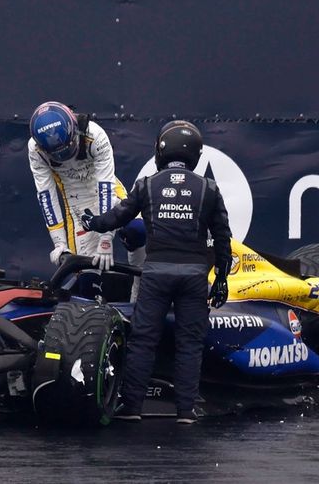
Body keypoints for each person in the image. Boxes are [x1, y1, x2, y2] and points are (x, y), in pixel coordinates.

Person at [81, 120, 231, 424]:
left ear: (162, 150)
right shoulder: (209, 189)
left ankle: (133, 408)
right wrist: (222, 279)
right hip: (194, 277)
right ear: (195, 153)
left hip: (156, 274)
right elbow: (223, 239)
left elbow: (117, 217)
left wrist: (92, 223)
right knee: (189, 344)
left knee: (143, 341)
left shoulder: (147, 184)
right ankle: (186, 411)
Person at [28, 101, 127, 276]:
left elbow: (106, 185)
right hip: (77, 202)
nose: (63, 157)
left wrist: (105, 236)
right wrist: (59, 242)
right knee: (85, 273)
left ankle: (138, 291)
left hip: (107, 191)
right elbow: (46, 196)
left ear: (75, 128)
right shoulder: (35, 149)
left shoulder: (95, 134)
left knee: (137, 231)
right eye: (56, 154)